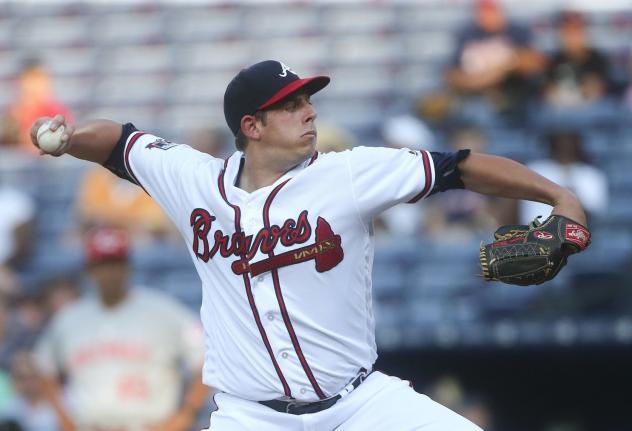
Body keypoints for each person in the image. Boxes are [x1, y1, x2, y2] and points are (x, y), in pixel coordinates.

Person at [29, 59, 587, 431]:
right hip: (250, 418)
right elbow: (119, 142)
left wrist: (559, 195)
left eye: (307, 99)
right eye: (292, 104)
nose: (310, 110)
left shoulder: (348, 175)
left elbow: (461, 168)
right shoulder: (192, 179)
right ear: (252, 124)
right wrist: (68, 136)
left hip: (359, 406)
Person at [33, 228, 208, 431]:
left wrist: (186, 414)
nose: (109, 273)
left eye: (115, 263)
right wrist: (63, 418)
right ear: (89, 270)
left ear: (128, 266)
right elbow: (43, 368)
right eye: (102, 265)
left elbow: (206, 360)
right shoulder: (69, 318)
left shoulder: (164, 311)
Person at [446, 0, 545, 125]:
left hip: (514, 95)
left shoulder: (517, 31)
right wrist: (488, 76)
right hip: (476, 96)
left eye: (492, 12)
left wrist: (501, 69)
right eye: (483, 12)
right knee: (472, 113)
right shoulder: (467, 34)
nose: (487, 17)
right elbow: (452, 75)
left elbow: (535, 63)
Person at [519, 130, 608, 225]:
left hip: (575, 233)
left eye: (569, 147)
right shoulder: (536, 169)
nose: (565, 150)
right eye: (559, 147)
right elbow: (516, 202)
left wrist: (571, 197)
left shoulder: (591, 174)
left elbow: (594, 214)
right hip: (533, 231)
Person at [542, 11, 610, 109]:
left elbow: (598, 90)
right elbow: (548, 91)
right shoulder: (555, 60)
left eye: (576, 31)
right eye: (567, 32)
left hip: (592, 113)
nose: (572, 37)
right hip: (560, 113)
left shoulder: (597, 59)